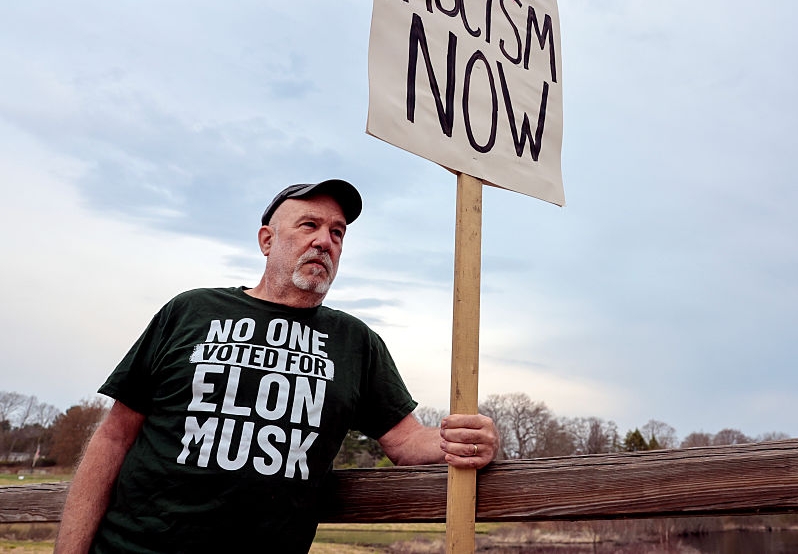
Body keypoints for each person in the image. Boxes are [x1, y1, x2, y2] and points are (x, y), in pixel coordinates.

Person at [54, 179, 498, 554]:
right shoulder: (191, 311)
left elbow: (405, 442)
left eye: (337, 233)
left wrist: (459, 439)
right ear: (267, 240)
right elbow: (114, 436)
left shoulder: (355, 342)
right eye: (310, 225)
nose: (325, 241)